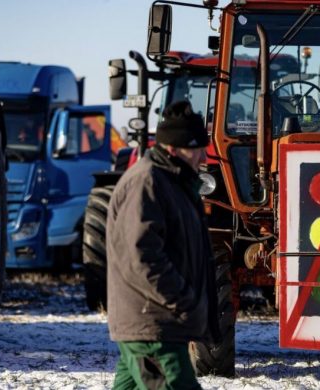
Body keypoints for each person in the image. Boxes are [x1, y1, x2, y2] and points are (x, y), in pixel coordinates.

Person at [106, 100, 220, 389]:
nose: (202, 156)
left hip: (150, 323)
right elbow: (141, 257)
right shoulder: (147, 183)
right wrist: (183, 301)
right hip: (154, 325)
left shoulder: (173, 181)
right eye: (196, 148)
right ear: (174, 149)